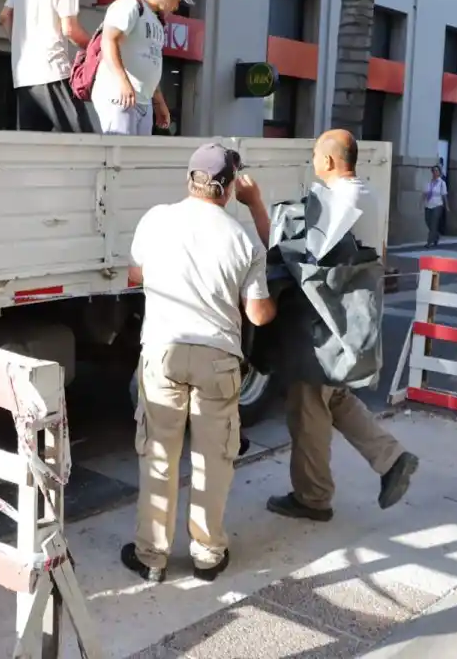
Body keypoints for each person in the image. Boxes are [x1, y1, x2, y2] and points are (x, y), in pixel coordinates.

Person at [122, 143, 276, 583]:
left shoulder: (155, 219)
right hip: (218, 360)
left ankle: (151, 556)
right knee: (213, 458)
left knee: (157, 455)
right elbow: (258, 314)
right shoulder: (243, 239)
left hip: (162, 353)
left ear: (189, 180)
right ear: (229, 189)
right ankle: (208, 555)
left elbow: (136, 276)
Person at [267, 130, 419, 523]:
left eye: (316, 154)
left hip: (322, 323)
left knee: (309, 407)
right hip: (347, 318)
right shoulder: (368, 194)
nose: (313, 161)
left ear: (331, 161)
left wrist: (256, 205)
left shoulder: (336, 201)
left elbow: (302, 256)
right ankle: (391, 458)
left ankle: (313, 497)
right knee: (333, 397)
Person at [0, 0, 96, 133]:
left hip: (24, 77)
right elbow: (70, 29)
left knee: (36, 152)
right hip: (52, 71)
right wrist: (97, 48)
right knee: (87, 147)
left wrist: (22, 46)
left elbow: (5, 16)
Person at [92, 0, 192, 136]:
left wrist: (158, 101)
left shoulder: (156, 20)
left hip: (144, 103)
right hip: (120, 98)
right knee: (118, 157)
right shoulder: (129, 5)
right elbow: (108, 40)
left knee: (136, 158)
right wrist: (122, 81)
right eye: (177, 0)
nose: (175, 7)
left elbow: (152, 60)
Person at [423, 165, 448, 248]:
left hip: (437, 205)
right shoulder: (429, 183)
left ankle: (429, 242)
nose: (435, 172)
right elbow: (425, 194)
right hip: (428, 205)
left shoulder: (442, 183)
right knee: (428, 221)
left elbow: (444, 195)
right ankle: (436, 235)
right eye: (434, 171)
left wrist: (446, 206)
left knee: (434, 223)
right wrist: (421, 202)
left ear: (439, 172)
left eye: (437, 171)